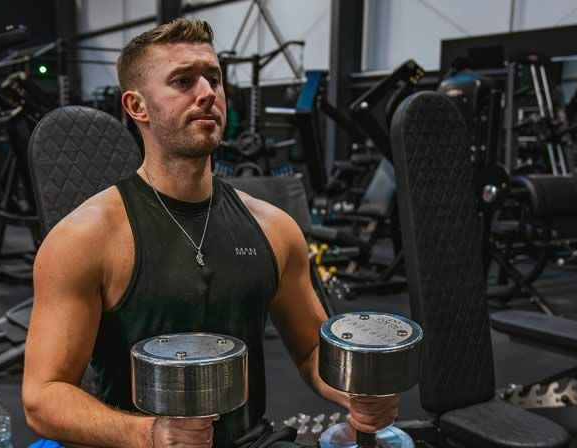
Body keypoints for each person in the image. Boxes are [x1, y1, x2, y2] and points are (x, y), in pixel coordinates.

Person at [22, 18, 398, 448]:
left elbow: (314, 353)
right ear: (137, 106)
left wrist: (356, 392)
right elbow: (42, 397)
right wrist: (152, 434)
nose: (207, 94)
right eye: (183, 81)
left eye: (213, 79)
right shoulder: (86, 238)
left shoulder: (274, 227)